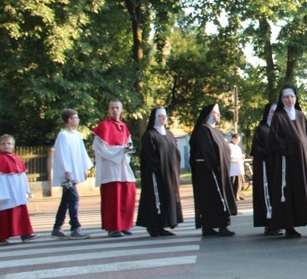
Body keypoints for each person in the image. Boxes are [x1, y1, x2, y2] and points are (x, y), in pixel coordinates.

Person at [268, 87, 307, 238]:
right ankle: (289, 226)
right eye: (286, 97)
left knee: (305, 189)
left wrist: (305, 148)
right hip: (286, 161)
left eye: (292, 96)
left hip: (301, 161)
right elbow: (274, 139)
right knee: (288, 192)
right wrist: (287, 149)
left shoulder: (301, 115)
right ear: (282, 100)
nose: (290, 99)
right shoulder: (279, 116)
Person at [189, 104, 237, 237]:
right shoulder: (204, 130)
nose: (219, 115)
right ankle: (219, 225)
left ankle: (210, 225)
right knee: (215, 198)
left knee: (217, 197)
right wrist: (215, 165)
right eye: (216, 113)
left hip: (218, 170)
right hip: (209, 171)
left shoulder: (216, 131)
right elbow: (207, 151)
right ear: (210, 115)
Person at [92, 99, 136, 238]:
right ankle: (113, 227)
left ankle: (124, 225)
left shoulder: (124, 127)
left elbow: (128, 146)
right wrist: (121, 151)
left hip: (122, 167)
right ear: (108, 110)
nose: (115, 110)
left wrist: (127, 151)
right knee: (113, 199)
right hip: (110, 168)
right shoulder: (103, 127)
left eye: (117, 107)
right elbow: (100, 148)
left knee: (126, 195)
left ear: (121, 110)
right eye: (112, 108)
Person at [136, 107, 183, 237]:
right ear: (155, 118)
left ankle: (163, 225)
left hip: (169, 173)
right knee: (156, 200)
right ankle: (153, 226)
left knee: (168, 198)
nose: (163, 119)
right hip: (156, 174)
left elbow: (175, 152)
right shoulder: (150, 135)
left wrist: (173, 168)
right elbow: (148, 156)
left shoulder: (169, 134)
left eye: (165, 117)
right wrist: (158, 168)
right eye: (161, 116)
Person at [0, 134, 39, 245]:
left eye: (9, 143)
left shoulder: (16, 158)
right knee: (3, 215)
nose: (6, 146)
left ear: (13, 145)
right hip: (5, 194)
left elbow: (22, 176)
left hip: (18, 193)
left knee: (21, 212)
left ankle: (26, 234)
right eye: (3, 144)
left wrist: (26, 190)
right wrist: (1, 195)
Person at [51, 109, 92, 240]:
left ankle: (57, 227)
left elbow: (82, 152)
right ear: (69, 120)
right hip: (67, 174)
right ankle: (75, 227)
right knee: (74, 199)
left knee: (66, 200)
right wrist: (66, 170)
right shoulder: (63, 135)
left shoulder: (77, 134)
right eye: (76, 117)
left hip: (74, 172)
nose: (78, 120)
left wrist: (84, 169)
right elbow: (62, 154)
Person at [250, 103, 281, 235]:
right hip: (265, 167)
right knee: (267, 194)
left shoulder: (280, 129)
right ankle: (269, 224)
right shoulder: (262, 129)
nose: (275, 114)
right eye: (272, 112)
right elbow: (257, 149)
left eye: (276, 111)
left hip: (277, 167)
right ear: (268, 113)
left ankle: (278, 222)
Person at [228, 134, 245, 200]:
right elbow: (231, 157)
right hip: (233, 168)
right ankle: (234, 196)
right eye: (237, 140)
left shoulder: (237, 147)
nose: (238, 141)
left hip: (239, 167)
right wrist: (239, 157)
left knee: (239, 183)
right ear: (233, 139)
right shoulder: (230, 146)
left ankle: (237, 194)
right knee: (234, 183)